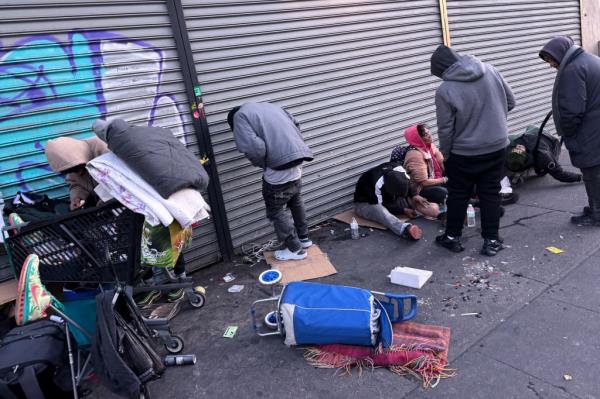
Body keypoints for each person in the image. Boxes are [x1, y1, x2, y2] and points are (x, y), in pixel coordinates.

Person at [430, 44, 515, 256]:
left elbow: (445, 129)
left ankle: (451, 237)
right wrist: (492, 124)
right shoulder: (490, 70)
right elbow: (511, 102)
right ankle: (492, 241)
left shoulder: (445, 90)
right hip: (497, 146)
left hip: (465, 153)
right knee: (490, 193)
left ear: (443, 70)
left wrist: (446, 155)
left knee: (458, 194)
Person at [227, 102, 314, 261]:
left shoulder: (239, 117)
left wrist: (263, 164)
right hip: (298, 158)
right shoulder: (269, 106)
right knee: (295, 199)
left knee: (275, 209)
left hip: (278, 165)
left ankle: (295, 249)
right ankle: (304, 238)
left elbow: (254, 148)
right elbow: (295, 124)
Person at [539, 36, 600, 226]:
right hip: (596, 126)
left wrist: (567, 132)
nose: (551, 65)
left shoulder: (572, 70)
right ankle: (596, 207)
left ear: (560, 54)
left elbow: (573, 110)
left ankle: (597, 213)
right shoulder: (590, 60)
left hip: (589, 131)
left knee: (591, 173)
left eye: (551, 60)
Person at [353, 162, 431, 241]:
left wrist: (415, 195)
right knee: (382, 213)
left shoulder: (400, 170)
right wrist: (403, 210)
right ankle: (404, 229)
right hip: (367, 202)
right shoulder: (376, 184)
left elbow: (408, 184)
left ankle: (438, 214)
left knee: (412, 201)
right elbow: (383, 205)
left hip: (387, 197)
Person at [44, 136, 108, 210]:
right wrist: (77, 198)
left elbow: (119, 179)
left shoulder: (103, 147)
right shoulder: (73, 166)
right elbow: (76, 183)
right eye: (68, 171)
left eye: (73, 169)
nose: (74, 172)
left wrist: (105, 199)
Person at [506, 125, 582, 184]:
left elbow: (560, 175)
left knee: (550, 165)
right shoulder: (509, 143)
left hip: (547, 142)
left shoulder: (544, 156)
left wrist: (580, 177)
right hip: (533, 133)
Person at [401, 124, 448, 206]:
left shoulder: (429, 146)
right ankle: (470, 203)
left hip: (435, 179)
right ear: (418, 139)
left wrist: (442, 161)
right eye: (426, 135)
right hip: (421, 189)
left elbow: (440, 160)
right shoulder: (415, 155)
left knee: (458, 181)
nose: (430, 136)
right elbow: (424, 182)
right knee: (444, 193)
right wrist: (444, 179)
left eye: (428, 132)